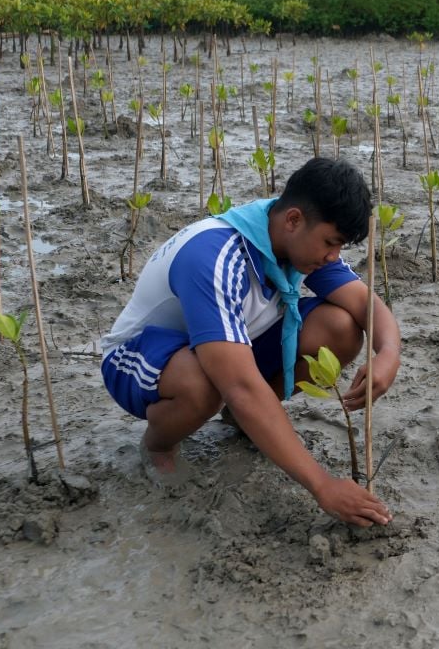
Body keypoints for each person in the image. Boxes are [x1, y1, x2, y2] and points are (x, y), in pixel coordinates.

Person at [101, 158, 401, 527]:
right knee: (204, 384)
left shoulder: (289, 235)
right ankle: (159, 444)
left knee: (340, 326)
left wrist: (388, 353)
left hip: (224, 347)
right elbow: (240, 385)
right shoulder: (214, 256)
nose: (332, 257)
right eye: (329, 243)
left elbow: (363, 302)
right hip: (139, 360)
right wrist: (322, 485)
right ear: (293, 220)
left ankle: (241, 420)